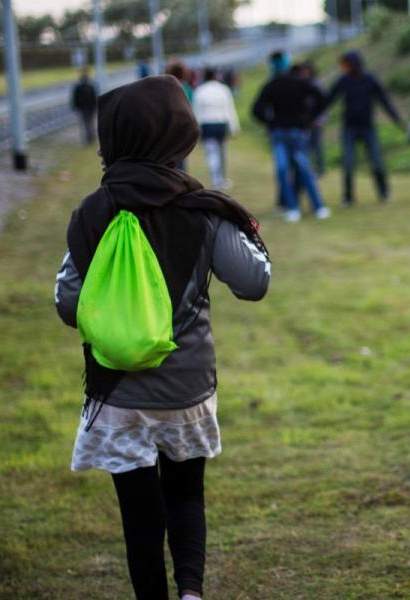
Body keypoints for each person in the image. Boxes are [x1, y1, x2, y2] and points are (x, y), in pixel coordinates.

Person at [54, 76, 271, 600]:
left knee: (138, 513)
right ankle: (191, 593)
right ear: (179, 134)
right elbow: (253, 282)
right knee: (185, 495)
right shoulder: (202, 211)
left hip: (118, 392)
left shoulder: (93, 212)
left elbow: (66, 300)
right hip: (186, 388)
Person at [251, 51, 330, 222]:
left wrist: (270, 122)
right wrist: (310, 117)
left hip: (288, 133)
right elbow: (322, 98)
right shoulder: (292, 83)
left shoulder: (275, 84)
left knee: (289, 169)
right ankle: (299, 207)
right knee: (298, 169)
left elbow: (256, 110)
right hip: (288, 133)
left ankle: (314, 206)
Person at [324, 50, 404, 205]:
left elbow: (384, 101)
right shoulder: (343, 80)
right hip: (350, 128)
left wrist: (397, 120)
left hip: (367, 127)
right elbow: (328, 99)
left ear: (355, 64)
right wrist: (312, 114)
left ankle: (384, 193)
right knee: (347, 163)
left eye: (347, 64)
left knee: (376, 161)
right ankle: (348, 197)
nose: (344, 67)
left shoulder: (369, 79)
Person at [193, 67, 241, 191]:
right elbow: (229, 109)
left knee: (212, 154)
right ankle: (221, 179)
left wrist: (196, 130)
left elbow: (196, 111)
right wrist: (235, 127)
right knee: (221, 153)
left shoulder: (199, 90)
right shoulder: (223, 89)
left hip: (207, 125)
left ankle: (216, 180)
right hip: (221, 124)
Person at [294, 61, 326, 177]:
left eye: (306, 70)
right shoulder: (300, 85)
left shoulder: (317, 84)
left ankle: (320, 168)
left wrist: (320, 119)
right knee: (306, 147)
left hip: (316, 121)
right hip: (304, 121)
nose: (304, 73)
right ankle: (308, 169)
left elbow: (324, 103)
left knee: (317, 146)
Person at [71, 70, 98, 146]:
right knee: (90, 123)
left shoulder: (78, 87)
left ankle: (88, 138)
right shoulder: (90, 86)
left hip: (83, 109)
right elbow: (94, 97)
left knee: (85, 124)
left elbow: (75, 98)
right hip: (89, 108)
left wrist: (75, 107)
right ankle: (91, 137)